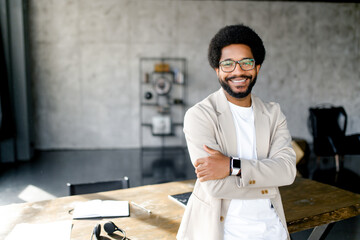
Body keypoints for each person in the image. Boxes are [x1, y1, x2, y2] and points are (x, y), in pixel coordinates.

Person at [177, 24, 296, 240]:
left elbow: (287, 171)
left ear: (257, 67)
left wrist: (232, 166)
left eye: (246, 63)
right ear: (217, 70)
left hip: (273, 231)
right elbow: (215, 186)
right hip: (221, 232)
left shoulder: (273, 114)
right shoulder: (200, 116)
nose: (238, 71)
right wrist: (268, 180)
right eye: (228, 64)